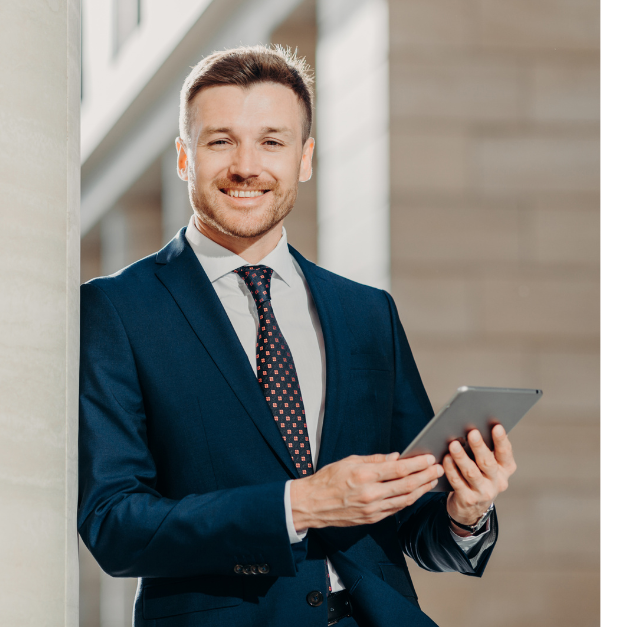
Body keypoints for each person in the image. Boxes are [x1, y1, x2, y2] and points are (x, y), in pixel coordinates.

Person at [78, 45, 517, 627]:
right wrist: (298, 505)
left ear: (304, 159)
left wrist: (466, 511)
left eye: (272, 141)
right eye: (220, 141)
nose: (246, 166)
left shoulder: (366, 312)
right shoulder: (118, 309)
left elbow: (416, 525)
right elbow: (114, 523)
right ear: (184, 158)